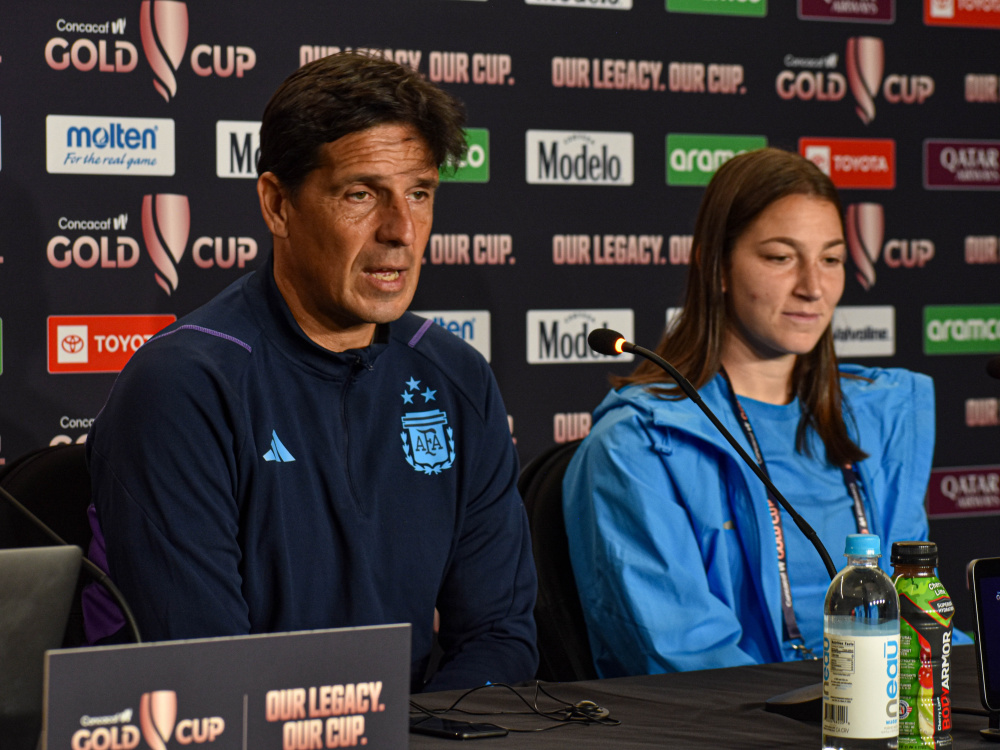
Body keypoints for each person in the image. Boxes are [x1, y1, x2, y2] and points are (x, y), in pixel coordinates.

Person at [85, 52, 538, 692]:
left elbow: (499, 636)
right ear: (277, 205)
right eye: (361, 194)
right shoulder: (184, 385)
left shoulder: (457, 378)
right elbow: (202, 672)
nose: (401, 231)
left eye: (419, 194)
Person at [562, 148, 934, 678]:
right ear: (716, 267)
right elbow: (680, 658)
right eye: (781, 257)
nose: (813, 286)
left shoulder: (880, 421)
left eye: (830, 258)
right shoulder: (638, 444)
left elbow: (919, 625)